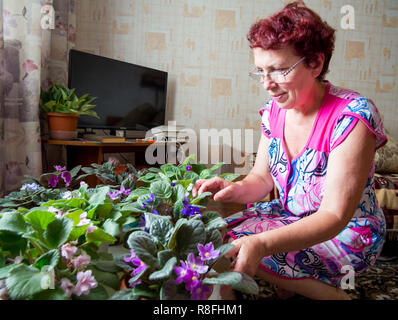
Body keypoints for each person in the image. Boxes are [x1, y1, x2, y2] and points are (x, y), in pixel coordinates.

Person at [192, 1, 387, 300]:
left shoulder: (352, 116)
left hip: (348, 231)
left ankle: (335, 296)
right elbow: (261, 179)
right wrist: (234, 189)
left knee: (243, 247)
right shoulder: (273, 112)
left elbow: (335, 215)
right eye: (260, 71)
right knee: (211, 237)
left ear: (315, 64)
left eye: (278, 70)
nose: (266, 84)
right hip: (291, 217)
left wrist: (263, 244)